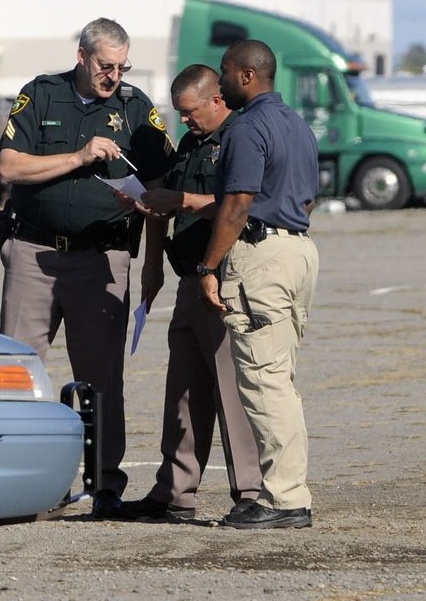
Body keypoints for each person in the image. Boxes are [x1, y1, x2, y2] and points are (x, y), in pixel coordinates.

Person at [0, 17, 173, 518]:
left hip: (103, 256)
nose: (113, 76)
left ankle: (104, 485)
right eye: (104, 66)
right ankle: (23, 483)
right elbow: (10, 167)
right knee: (18, 371)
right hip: (34, 253)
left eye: (122, 67)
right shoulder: (42, 95)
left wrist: (153, 259)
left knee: (101, 379)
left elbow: (163, 186)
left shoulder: (136, 108)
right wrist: (78, 156)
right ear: (81, 56)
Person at [117, 64, 263, 522]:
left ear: (217, 99)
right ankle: (175, 491)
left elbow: (243, 204)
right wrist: (153, 254)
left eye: (190, 111)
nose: (184, 121)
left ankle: (251, 493)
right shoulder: (191, 144)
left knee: (230, 390)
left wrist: (184, 203)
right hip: (188, 278)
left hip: (223, 278)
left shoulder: (240, 138)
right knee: (182, 390)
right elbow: (172, 201)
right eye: (179, 113)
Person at [196, 39, 320, 530]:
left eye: (225, 72)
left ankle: (285, 499)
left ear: (247, 75)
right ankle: (283, 490)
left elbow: (238, 202)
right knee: (279, 378)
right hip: (298, 251)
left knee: (265, 382)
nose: (221, 82)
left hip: (263, 256)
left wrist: (209, 266)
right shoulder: (297, 124)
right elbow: (307, 200)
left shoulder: (248, 128)